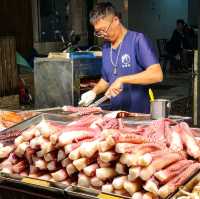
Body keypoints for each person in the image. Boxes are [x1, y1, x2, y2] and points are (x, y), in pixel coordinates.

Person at [79, 2, 163, 113]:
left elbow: (156, 75)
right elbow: (106, 79)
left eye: (104, 29)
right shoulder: (106, 47)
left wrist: (123, 79)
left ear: (116, 20)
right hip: (116, 114)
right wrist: (94, 92)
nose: (102, 34)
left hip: (139, 114)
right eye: (98, 32)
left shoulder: (137, 40)